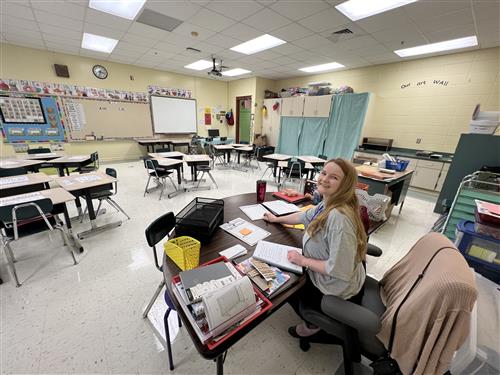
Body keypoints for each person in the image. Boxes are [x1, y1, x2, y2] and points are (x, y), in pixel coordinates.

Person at [263, 158, 367, 337]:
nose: (324, 179)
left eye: (334, 177)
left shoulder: (339, 218)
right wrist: (276, 219)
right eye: (324, 173)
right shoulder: (328, 203)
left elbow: (339, 269)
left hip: (336, 286)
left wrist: (303, 260)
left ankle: (312, 323)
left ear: (345, 185)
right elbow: (302, 217)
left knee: (288, 287)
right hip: (330, 270)